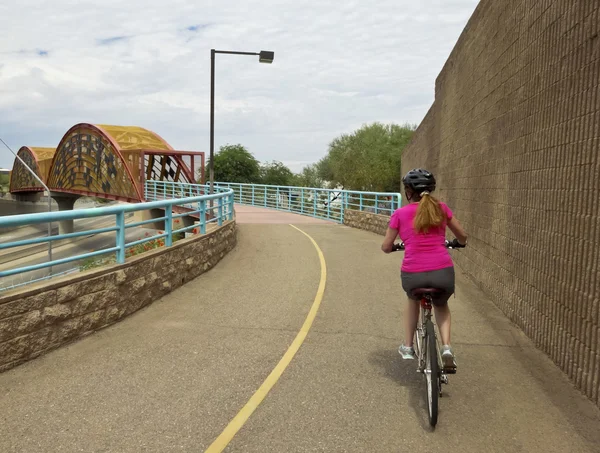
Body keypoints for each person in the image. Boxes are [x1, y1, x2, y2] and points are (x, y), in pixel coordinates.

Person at [381, 168, 467, 370]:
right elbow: (463, 236)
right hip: (442, 272)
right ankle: (446, 347)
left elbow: (386, 246)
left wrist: (396, 247)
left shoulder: (400, 213)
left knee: (413, 300)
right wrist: (458, 242)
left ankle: (409, 347)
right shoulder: (442, 208)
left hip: (414, 274)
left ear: (409, 191)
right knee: (441, 305)